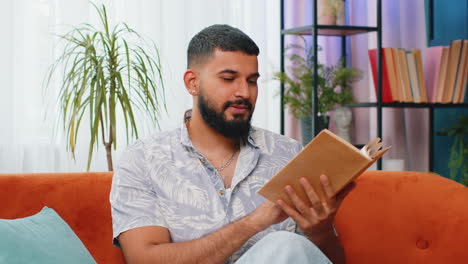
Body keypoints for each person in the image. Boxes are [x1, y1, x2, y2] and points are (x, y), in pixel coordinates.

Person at [110, 24, 354, 264]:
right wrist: (254, 222)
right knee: (283, 242)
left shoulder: (289, 154)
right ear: (192, 82)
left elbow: (327, 260)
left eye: (252, 81)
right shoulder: (143, 159)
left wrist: (320, 231)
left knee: (288, 246)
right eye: (229, 79)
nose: (244, 93)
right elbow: (144, 259)